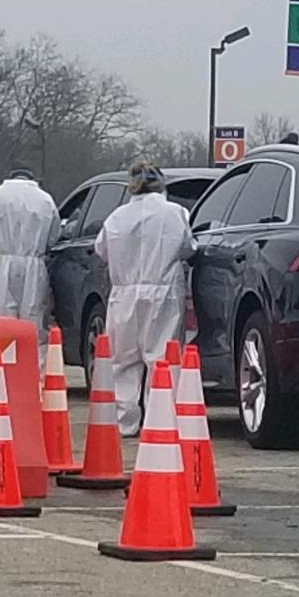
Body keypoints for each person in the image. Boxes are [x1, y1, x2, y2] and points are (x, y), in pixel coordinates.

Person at [95, 160, 195, 435]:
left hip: (124, 292)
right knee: (162, 357)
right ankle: (160, 420)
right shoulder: (175, 213)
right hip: (162, 291)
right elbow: (187, 247)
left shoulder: (116, 217)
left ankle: (124, 422)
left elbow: (101, 250)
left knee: (123, 358)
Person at [0, 168, 59, 356]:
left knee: (0, 318)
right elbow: (54, 235)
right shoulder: (44, 199)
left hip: (2, 263)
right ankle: (36, 372)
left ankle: (2, 367)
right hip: (34, 264)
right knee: (34, 320)